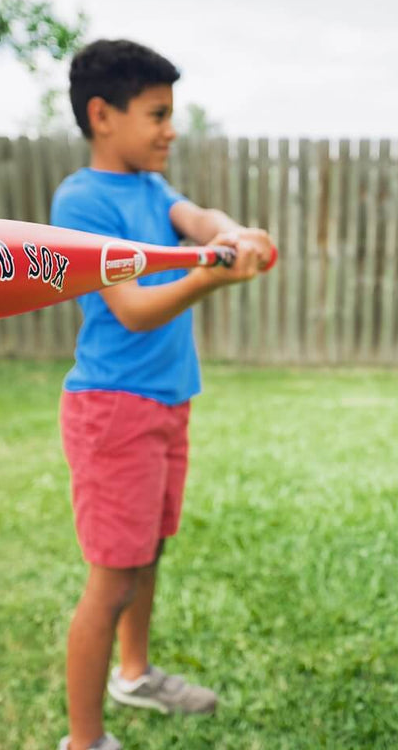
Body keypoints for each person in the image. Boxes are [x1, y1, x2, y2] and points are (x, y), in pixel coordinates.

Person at [50, 39, 274, 750]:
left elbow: (197, 219)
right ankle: (84, 743)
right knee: (111, 579)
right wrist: (214, 277)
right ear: (102, 115)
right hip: (113, 409)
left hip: (164, 402)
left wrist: (231, 235)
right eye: (157, 114)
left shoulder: (151, 189)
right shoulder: (82, 201)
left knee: (147, 556)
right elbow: (134, 309)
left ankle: (135, 674)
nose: (170, 129)